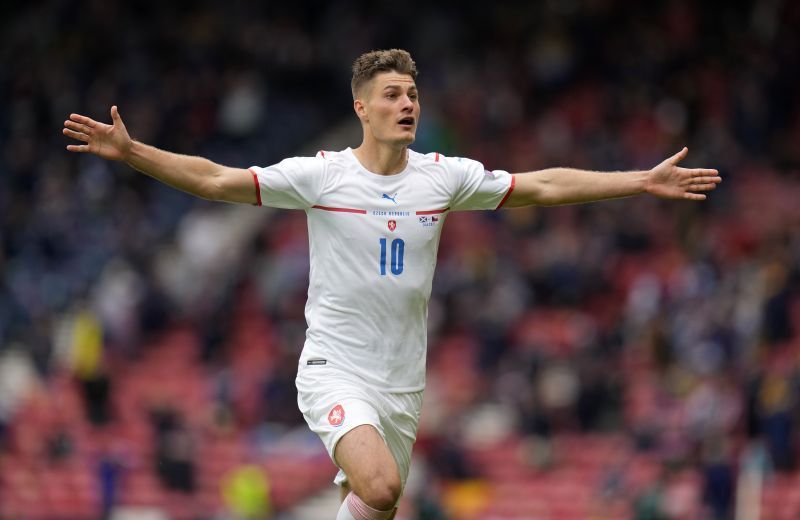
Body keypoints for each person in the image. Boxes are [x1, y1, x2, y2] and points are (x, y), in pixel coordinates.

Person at [63, 49, 721, 520]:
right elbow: (214, 179)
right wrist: (133, 153)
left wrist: (639, 180)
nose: (406, 104)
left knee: (379, 501)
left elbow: (542, 186)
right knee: (378, 488)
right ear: (361, 108)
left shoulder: (443, 176)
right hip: (334, 368)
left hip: (403, 385)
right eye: (391, 95)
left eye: (412, 95)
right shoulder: (320, 177)